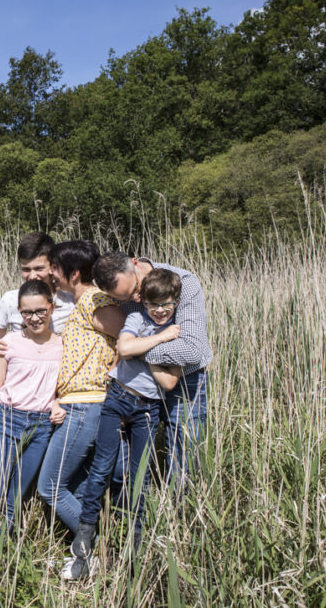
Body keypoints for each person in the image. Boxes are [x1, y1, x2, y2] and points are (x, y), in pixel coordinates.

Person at [65, 269, 183, 580]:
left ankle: (135, 550)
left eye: (166, 305)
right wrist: (158, 341)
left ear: (176, 302)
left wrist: (143, 349)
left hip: (148, 408)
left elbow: (170, 381)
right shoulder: (142, 322)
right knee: (102, 467)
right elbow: (124, 348)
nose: (159, 311)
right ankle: (84, 541)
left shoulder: (181, 333)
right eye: (153, 304)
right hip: (117, 398)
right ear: (144, 302)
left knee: (138, 477)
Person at [34, 240, 124, 573]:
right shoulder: (81, 303)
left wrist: (113, 372)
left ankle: (94, 552)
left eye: (55, 268)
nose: (51, 274)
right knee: (74, 485)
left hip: (85, 405)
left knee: (51, 487)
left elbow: (126, 336)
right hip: (78, 404)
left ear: (73, 273)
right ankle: (90, 552)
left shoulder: (94, 300)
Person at [92, 251, 212, 490]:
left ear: (135, 264)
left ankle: (178, 517)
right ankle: (134, 511)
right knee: (127, 460)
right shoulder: (117, 293)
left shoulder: (184, 282)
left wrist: (136, 350)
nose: (136, 299)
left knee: (184, 456)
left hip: (186, 381)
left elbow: (191, 351)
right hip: (133, 385)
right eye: (126, 299)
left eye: (136, 289)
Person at [0, 280, 66, 533]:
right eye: (27, 313)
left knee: (17, 493)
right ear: (19, 313)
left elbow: (59, 387)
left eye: (40, 311)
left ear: (52, 307)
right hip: (5, 420)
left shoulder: (63, 346)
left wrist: (56, 403)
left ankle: (5, 547)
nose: (34, 318)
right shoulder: (9, 343)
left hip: (41, 427)